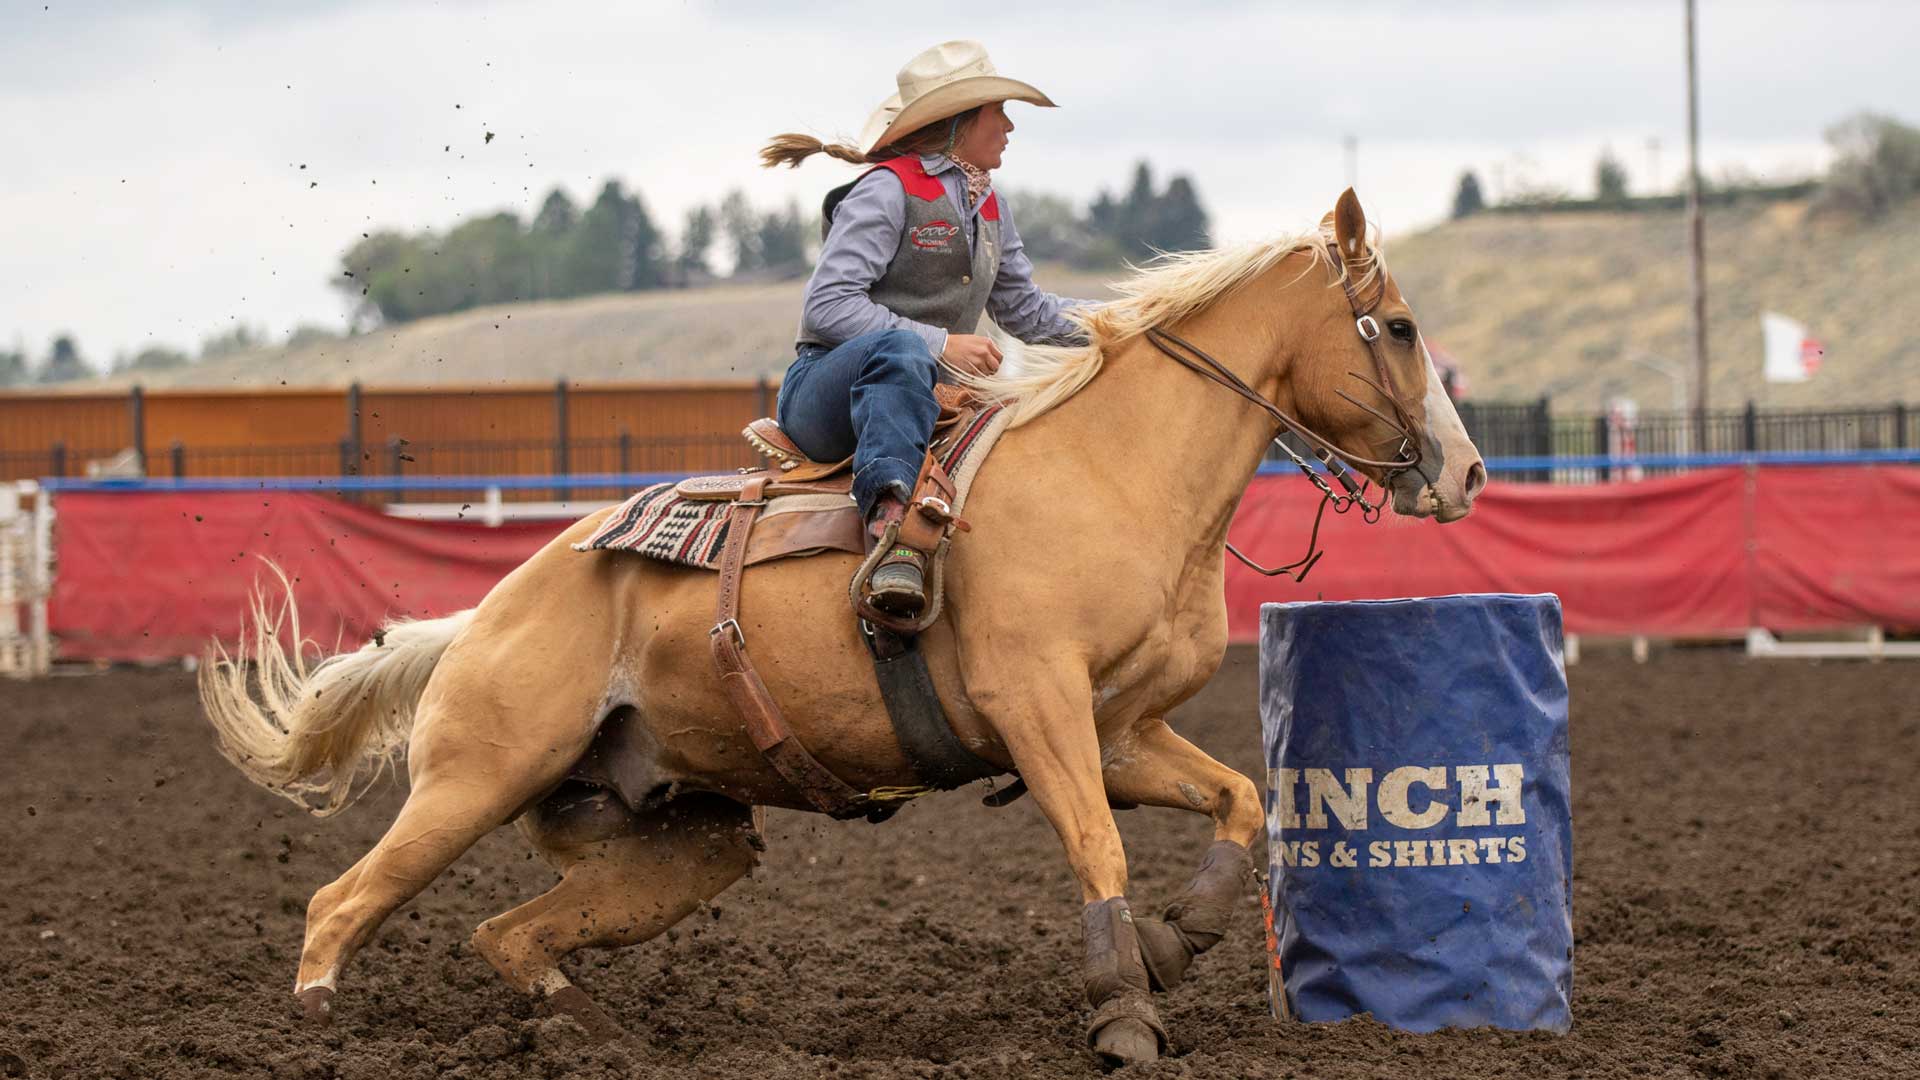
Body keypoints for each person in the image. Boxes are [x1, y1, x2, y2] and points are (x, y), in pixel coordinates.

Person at [760, 40, 1095, 618]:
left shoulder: (990, 207)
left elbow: (1029, 313)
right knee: (897, 351)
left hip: (920, 396)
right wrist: (941, 344)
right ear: (960, 122)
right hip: (826, 393)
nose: (1010, 125)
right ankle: (894, 537)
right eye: (998, 111)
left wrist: (1124, 323)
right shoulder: (887, 189)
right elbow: (827, 308)